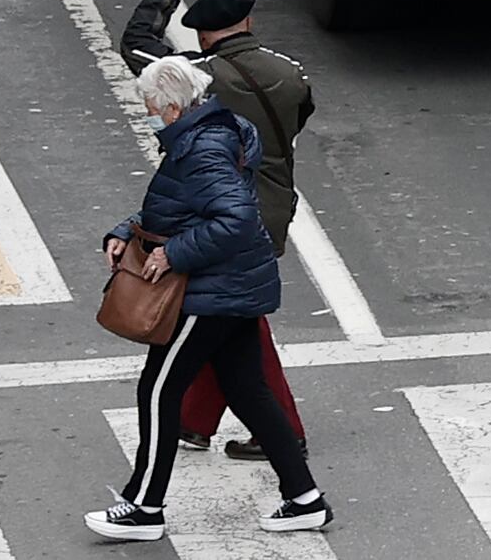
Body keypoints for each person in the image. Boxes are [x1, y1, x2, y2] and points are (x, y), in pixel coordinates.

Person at [84, 55, 333, 542]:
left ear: (174, 108)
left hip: (210, 292)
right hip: (235, 285)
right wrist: (124, 229)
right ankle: (304, 499)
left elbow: (232, 218)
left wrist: (173, 254)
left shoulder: (201, 147)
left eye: (151, 106)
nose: (149, 113)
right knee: (247, 390)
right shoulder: (219, 131)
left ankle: (144, 506)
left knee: (158, 391)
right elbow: (184, 203)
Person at [119, 0, 313, 461]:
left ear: (203, 32)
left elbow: (136, 44)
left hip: (219, 206)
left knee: (230, 313)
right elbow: (300, 120)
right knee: (220, 309)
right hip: (274, 202)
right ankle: (196, 420)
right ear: (248, 22)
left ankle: (282, 430)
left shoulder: (196, 72)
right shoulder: (291, 71)